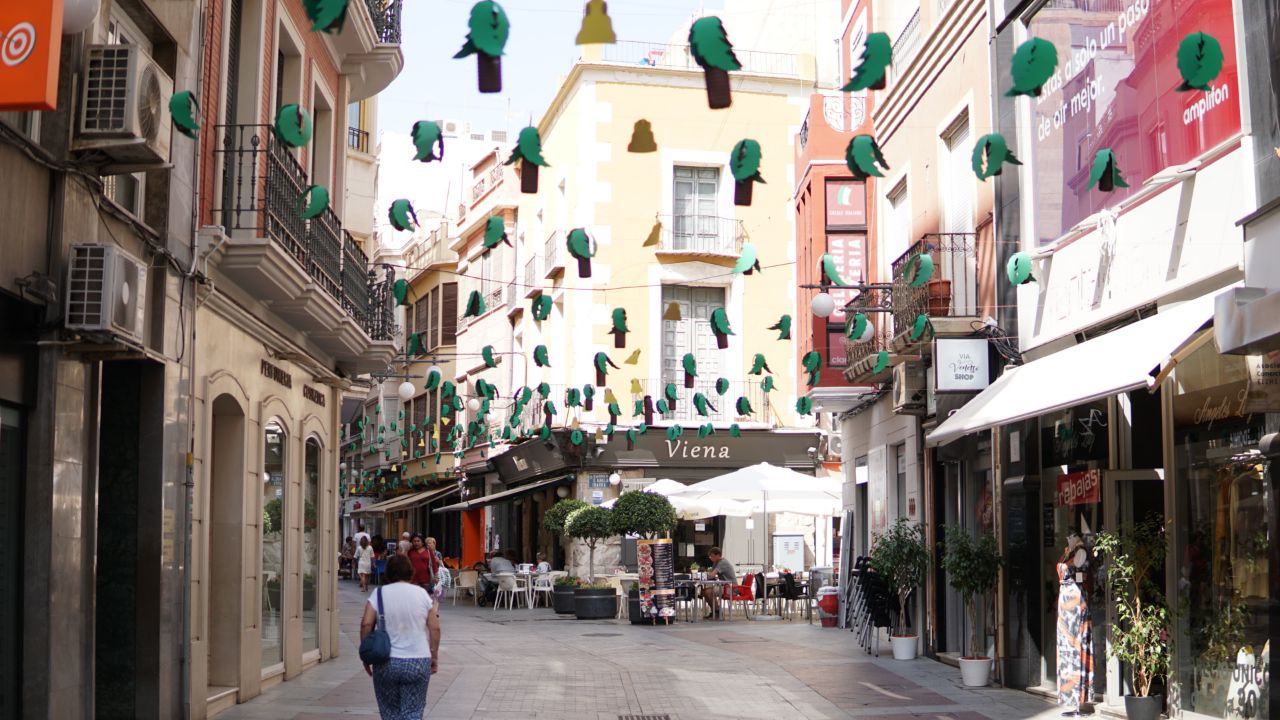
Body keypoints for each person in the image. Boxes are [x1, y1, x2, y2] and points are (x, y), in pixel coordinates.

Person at [360, 555, 441, 720]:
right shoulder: (422, 594)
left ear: (388, 573)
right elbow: (434, 628)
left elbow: (366, 624)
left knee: (389, 712)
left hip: (386, 661)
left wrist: (366, 655)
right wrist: (434, 655)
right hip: (418, 660)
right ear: (410, 572)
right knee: (413, 711)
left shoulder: (379, 593)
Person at [703, 547, 736, 619]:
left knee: (708, 591)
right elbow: (711, 574)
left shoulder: (722, 562)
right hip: (725, 586)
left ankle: (717, 612)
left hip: (731, 588)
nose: (711, 558)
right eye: (710, 556)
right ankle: (715, 611)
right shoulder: (716, 562)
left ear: (718, 555)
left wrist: (704, 575)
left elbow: (711, 575)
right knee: (705, 591)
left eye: (712, 556)